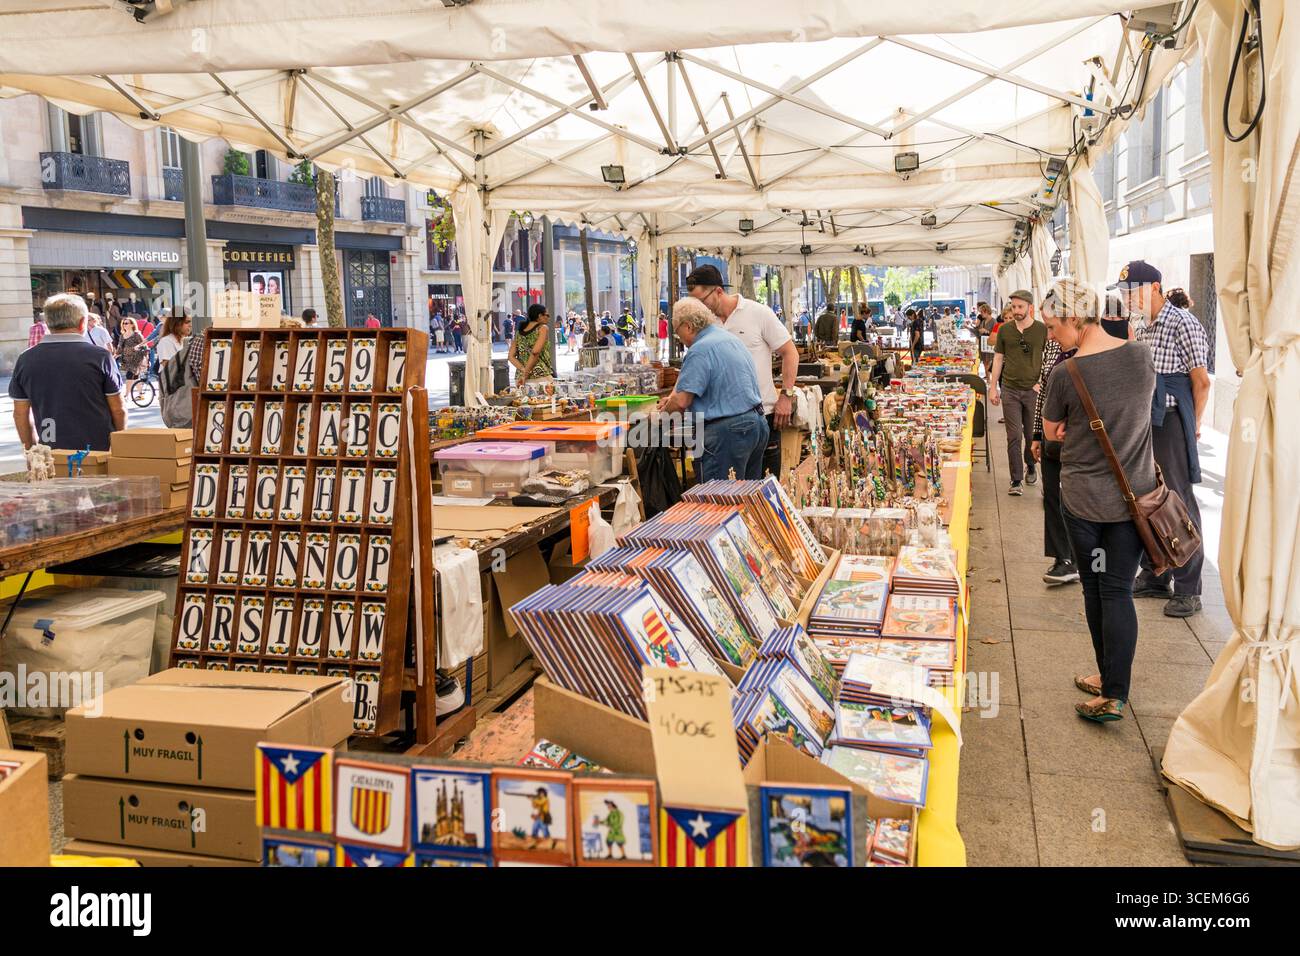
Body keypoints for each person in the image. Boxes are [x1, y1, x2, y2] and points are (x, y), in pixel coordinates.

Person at [1041, 278, 1158, 723]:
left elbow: (1052, 433)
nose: (1052, 336)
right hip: (1136, 500)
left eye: (1054, 327)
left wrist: (1073, 428)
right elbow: (1142, 411)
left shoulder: (1066, 374)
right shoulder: (1140, 355)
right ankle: (1113, 685)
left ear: (1074, 319)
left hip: (1086, 503)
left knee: (1096, 587)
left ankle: (1110, 690)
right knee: (1118, 590)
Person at [1114, 261, 1209, 618]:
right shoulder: (1142, 324)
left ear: (1154, 287)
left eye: (1132, 290)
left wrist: (1193, 428)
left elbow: (1201, 382)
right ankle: (1158, 574)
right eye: (1124, 292)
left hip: (1171, 423)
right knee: (1148, 499)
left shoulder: (1182, 322)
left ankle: (1189, 588)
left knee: (1179, 503)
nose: (1127, 298)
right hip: (1146, 422)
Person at [685, 264, 799, 478]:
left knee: (764, 489)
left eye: (701, 301)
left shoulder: (758, 313)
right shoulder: (704, 326)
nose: (698, 308)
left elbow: (790, 352)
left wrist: (786, 395)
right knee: (729, 493)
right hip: (723, 424)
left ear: (718, 291)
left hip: (762, 415)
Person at [660, 297, 767, 481]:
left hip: (728, 433)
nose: (680, 339)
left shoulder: (699, 350)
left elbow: (682, 401)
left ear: (688, 326)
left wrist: (663, 412)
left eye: (678, 332)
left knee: (720, 502)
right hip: (755, 424)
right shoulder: (729, 339)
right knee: (746, 498)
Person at [10, 293, 126, 452]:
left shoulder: (26, 359)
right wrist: (120, 447)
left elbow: (20, 413)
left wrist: (32, 451)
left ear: (48, 323)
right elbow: (118, 409)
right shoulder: (100, 357)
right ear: (82, 323)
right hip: (98, 449)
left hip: (51, 448)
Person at [1031, 294, 1080, 587]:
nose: (1048, 334)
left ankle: (1080, 558)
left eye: (1052, 327)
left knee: (1071, 499)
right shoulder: (1052, 345)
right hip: (1051, 439)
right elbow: (1044, 393)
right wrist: (1037, 433)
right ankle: (1062, 558)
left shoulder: (1090, 350)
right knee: (1052, 496)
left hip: (1075, 440)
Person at [989, 289, 1047, 495]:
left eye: (1020, 307)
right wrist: (993, 386)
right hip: (1010, 389)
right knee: (1013, 435)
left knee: (1031, 434)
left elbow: (1048, 358)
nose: (1016, 311)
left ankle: (1030, 464)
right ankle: (1016, 480)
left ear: (1030, 307)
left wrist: (1041, 382)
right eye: (1013, 307)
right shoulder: (1005, 330)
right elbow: (998, 358)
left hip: (1033, 391)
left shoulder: (1042, 329)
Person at [509, 303, 554, 385]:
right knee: (544, 398)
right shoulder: (542, 328)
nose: (548, 318)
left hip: (520, 377)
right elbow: (535, 352)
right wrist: (526, 372)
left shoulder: (519, 332)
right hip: (540, 375)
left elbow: (511, 356)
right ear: (540, 316)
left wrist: (523, 370)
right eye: (547, 315)